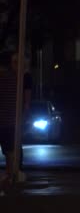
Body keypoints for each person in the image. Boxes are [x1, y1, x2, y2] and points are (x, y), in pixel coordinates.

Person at [0, 51, 32, 187]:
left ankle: (12, 173)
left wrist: (24, 114)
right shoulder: (18, 78)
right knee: (10, 149)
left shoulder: (19, 78)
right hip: (10, 118)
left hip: (8, 118)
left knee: (10, 149)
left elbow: (26, 100)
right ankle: (12, 173)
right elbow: (25, 100)